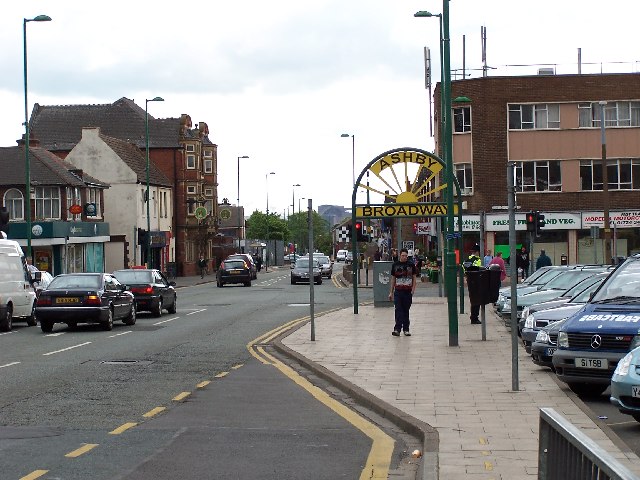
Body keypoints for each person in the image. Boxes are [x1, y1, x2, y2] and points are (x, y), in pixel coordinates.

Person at [388, 248, 417, 337]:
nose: (404, 257)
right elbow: (393, 279)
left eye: (406, 256)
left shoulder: (411, 265)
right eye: (403, 256)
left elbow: (414, 278)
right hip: (398, 291)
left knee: (405, 311)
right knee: (398, 310)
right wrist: (391, 292)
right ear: (400, 255)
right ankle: (397, 329)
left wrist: (413, 290)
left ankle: (406, 329)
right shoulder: (395, 265)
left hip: (407, 291)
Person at [464, 247, 482, 324]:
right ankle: (474, 318)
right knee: (477, 300)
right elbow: (478, 269)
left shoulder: (467, 260)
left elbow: (464, 269)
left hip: (470, 280)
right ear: (477, 252)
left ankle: (473, 317)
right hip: (476, 280)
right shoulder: (476, 260)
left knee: (473, 299)